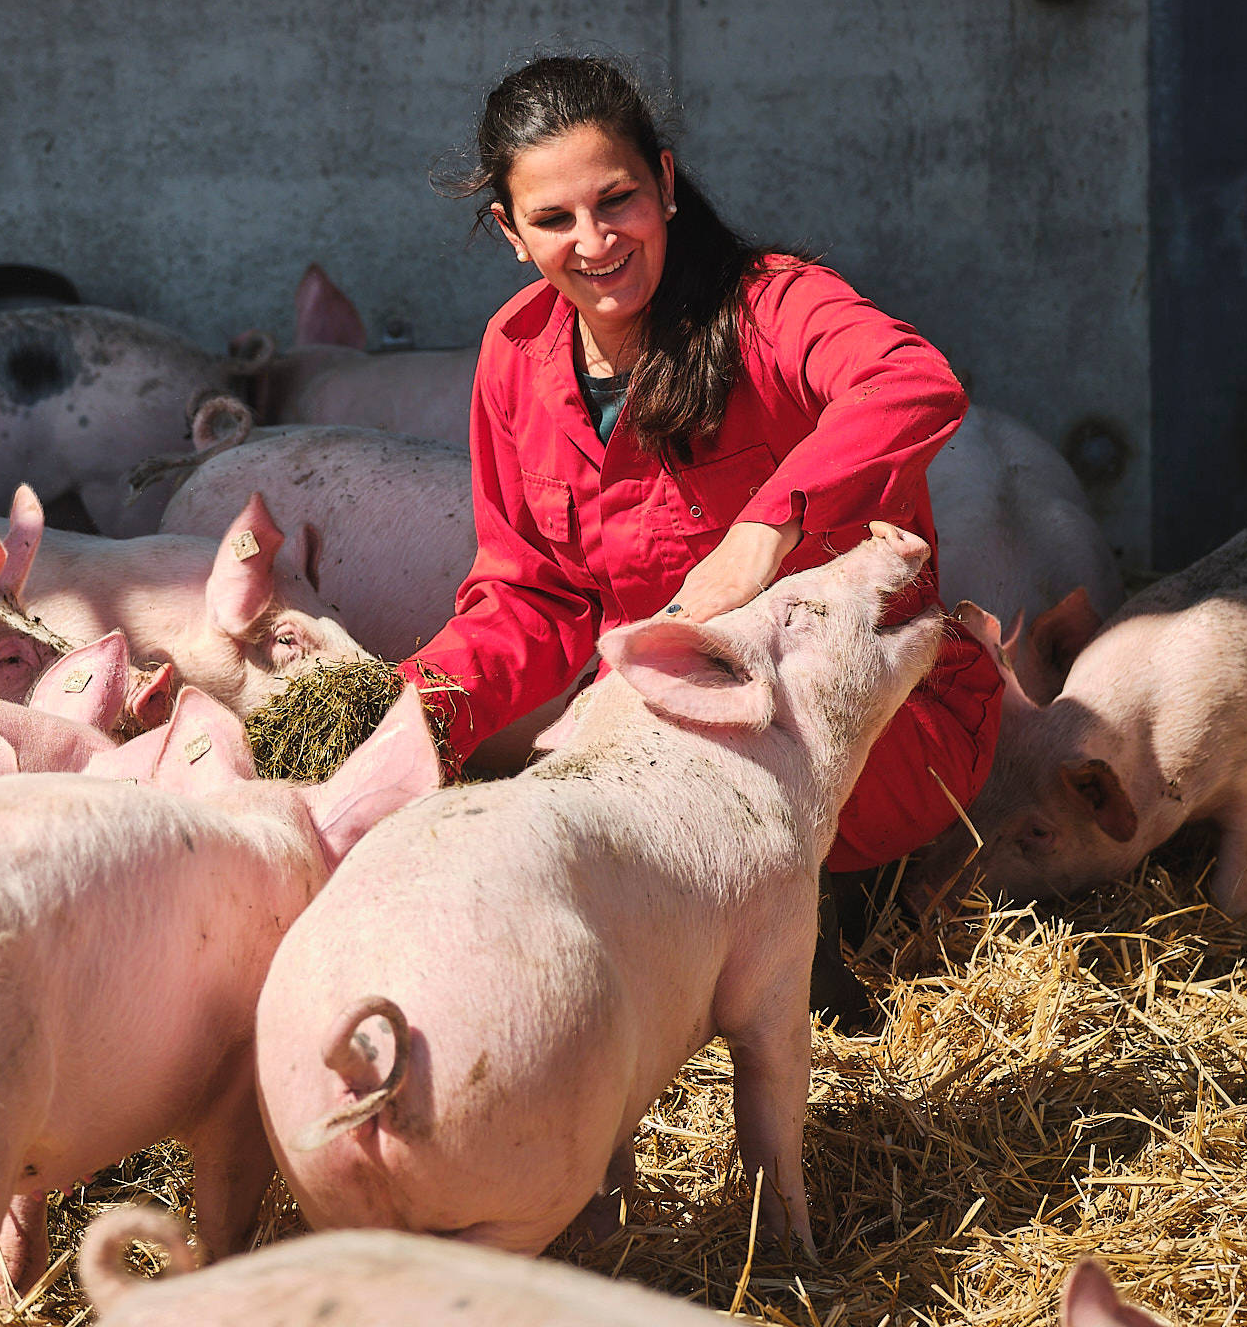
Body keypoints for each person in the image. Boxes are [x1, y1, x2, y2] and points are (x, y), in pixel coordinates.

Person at [403, 54, 1001, 877]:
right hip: (669, 717)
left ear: (665, 183)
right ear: (511, 232)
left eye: (618, 199)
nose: (595, 240)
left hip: (873, 718)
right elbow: (530, 595)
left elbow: (915, 380)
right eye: (554, 219)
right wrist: (416, 709)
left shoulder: (773, 305)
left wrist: (770, 522)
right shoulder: (514, 354)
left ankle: (819, 925)